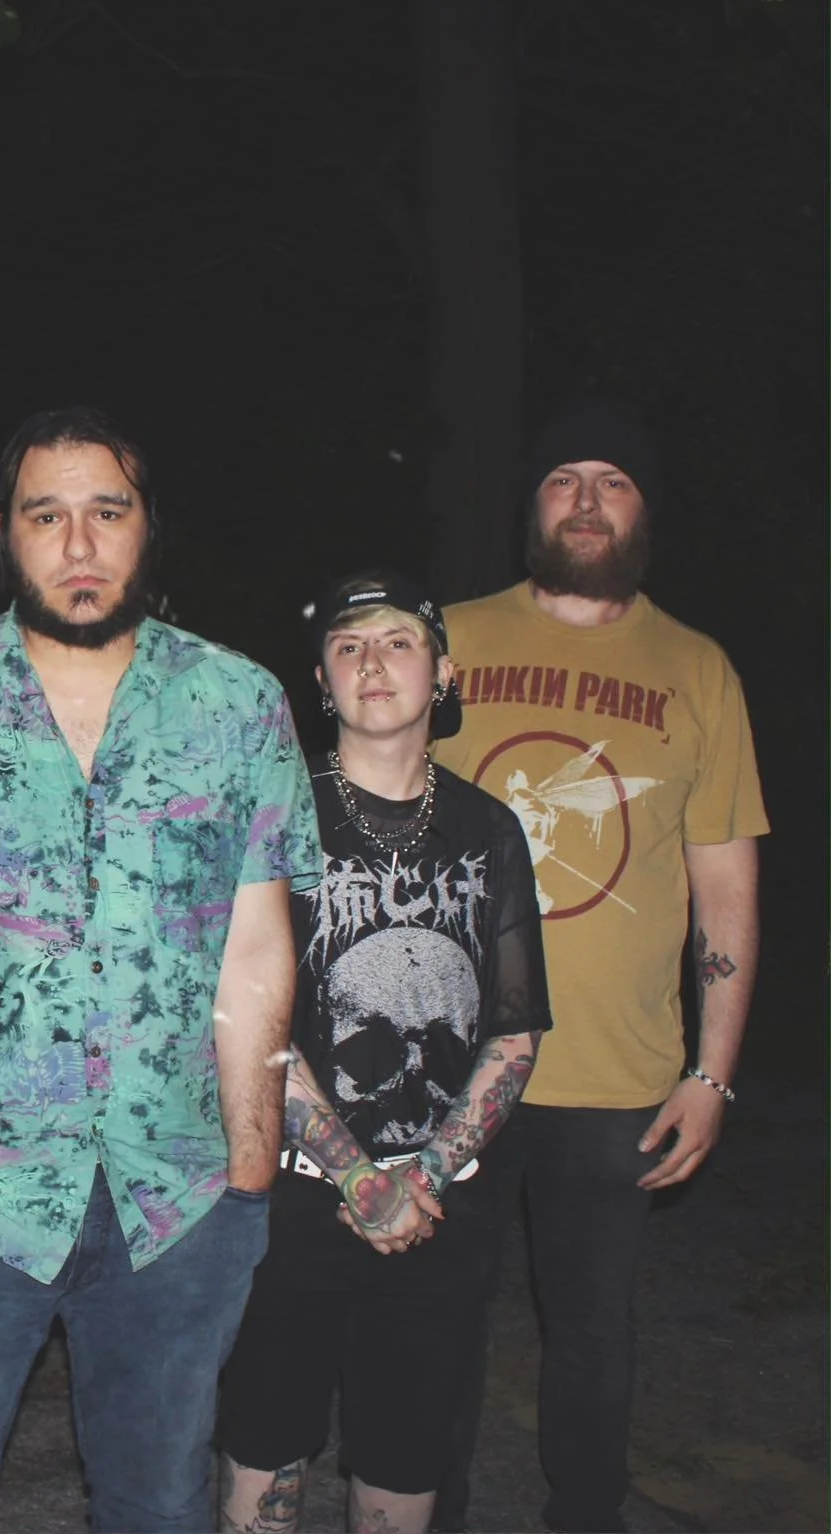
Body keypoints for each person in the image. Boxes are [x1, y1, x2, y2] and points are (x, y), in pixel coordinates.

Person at [0, 406, 325, 1533]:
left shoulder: (238, 705)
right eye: (46, 516)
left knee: (157, 1498)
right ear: (3, 532)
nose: (80, 543)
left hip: (181, 1189)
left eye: (107, 511)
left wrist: (249, 1163)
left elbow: (254, 944)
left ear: (148, 529)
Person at [431, 401, 766, 1533]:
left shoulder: (696, 667)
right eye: (561, 478)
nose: (583, 499)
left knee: (591, 1335)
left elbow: (722, 881)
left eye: (609, 481)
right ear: (529, 506)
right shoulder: (447, 641)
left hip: (618, 1071)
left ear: (642, 509)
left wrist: (710, 1074)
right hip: (450, 1064)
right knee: (434, 1326)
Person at [215, 571, 552, 1534]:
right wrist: (359, 1174)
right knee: (264, 1451)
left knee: (407, 1459)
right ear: (321, 682)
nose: (374, 662)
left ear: (442, 673)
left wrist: (423, 1176)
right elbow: (246, 1018)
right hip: (285, 1201)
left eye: (399, 641)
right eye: (349, 645)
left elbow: (515, 1028)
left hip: (441, 1211)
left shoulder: (490, 831)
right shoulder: (271, 816)